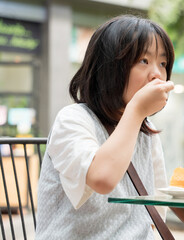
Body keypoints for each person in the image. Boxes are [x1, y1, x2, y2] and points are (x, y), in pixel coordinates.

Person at [36, 15, 175, 239]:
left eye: (163, 63)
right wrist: (138, 109)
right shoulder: (73, 119)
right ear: (110, 67)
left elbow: (157, 204)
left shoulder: (146, 130)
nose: (157, 74)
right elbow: (102, 178)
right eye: (144, 61)